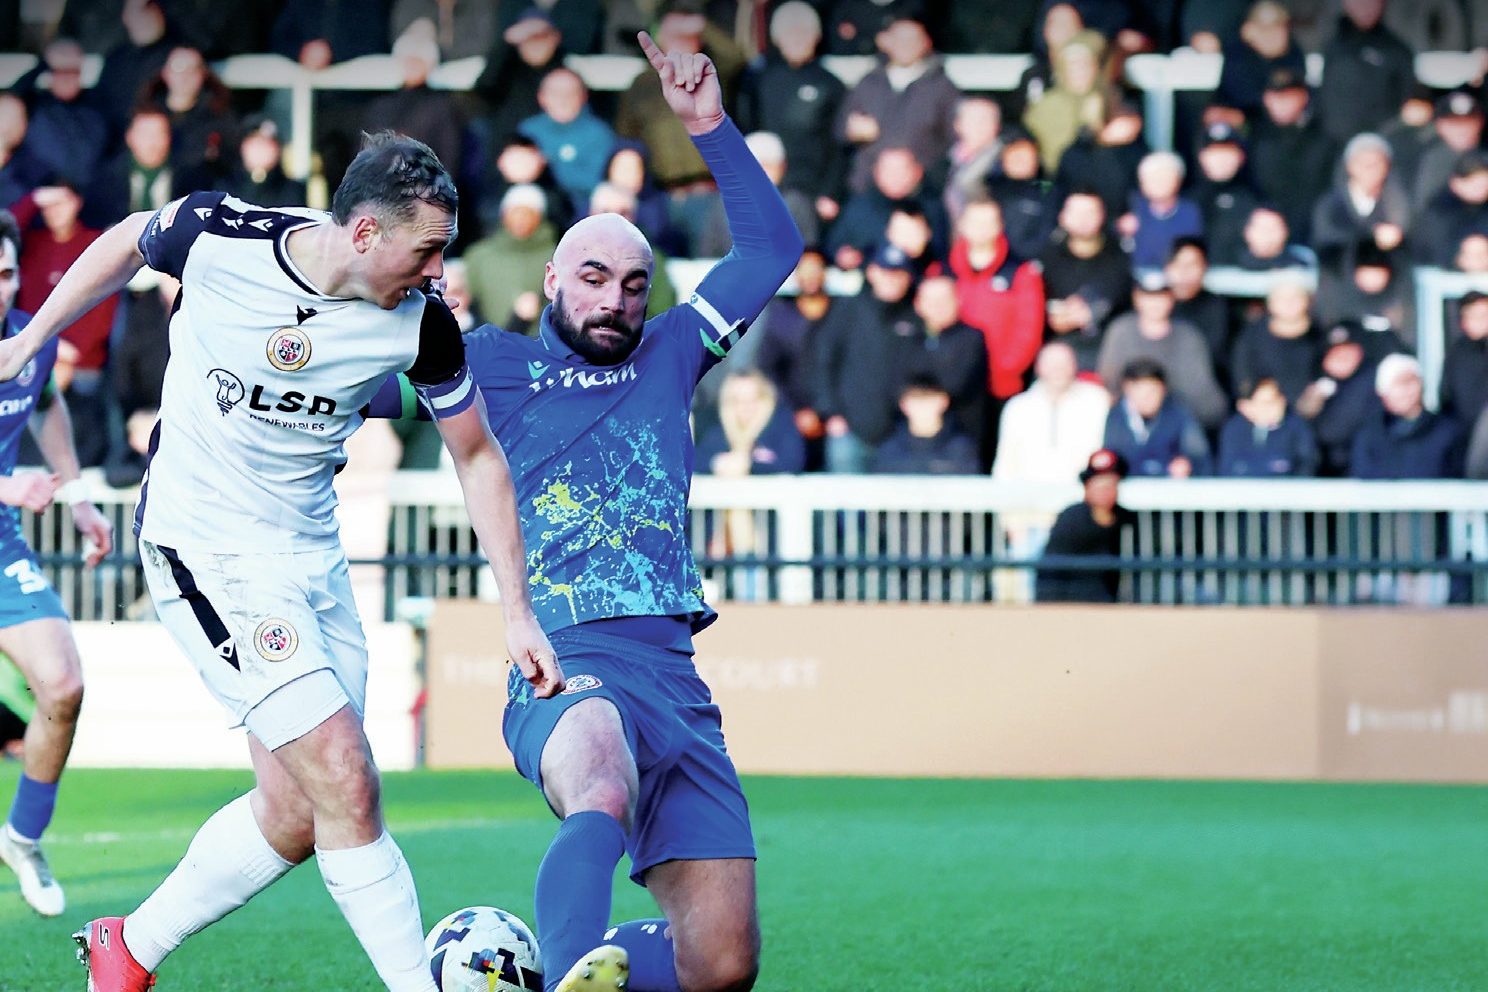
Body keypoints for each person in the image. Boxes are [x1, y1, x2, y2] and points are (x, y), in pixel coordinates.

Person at [0, 133, 561, 990]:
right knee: (346, 775)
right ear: (366, 235)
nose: (439, 271)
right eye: (428, 250)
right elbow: (122, 242)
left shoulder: (423, 323)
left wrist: (516, 611)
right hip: (205, 546)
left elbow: (477, 455)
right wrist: (31, 336)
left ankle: (128, 952)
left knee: (298, 812)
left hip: (310, 559)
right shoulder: (222, 234)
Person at [379, 32, 800, 992]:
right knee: (599, 784)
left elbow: (773, 248)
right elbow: (358, 389)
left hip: (675, 674)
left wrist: (711, 129)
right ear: (553, 282)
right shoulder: (483, 361)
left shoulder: (673, 351)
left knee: (723, 966)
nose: (615, 300)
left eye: (634, 284)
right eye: (595, 279)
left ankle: (549, 973)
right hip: (562, 652)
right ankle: (567, 972)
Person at [0, 208, 114, 918]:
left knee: (63, 686)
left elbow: (46, 406)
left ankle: (23, 838)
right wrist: (11, 484)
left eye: (6, 274)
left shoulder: (31, 338)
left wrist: (74, 496)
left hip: (2, 544)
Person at [1035, 447, 1135, 603]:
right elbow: (1050, 573)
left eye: (1110, 484)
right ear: (1087, 487)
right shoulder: (1071, 520)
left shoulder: (1128, 521)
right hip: (1072, 606)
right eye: (1099, 484)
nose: (1105, 491)